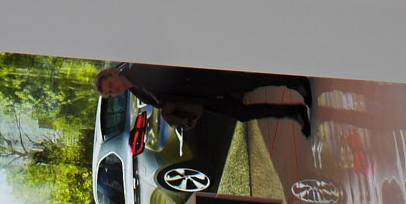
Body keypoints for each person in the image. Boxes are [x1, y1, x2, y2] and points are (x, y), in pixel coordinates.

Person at [96, 63, 315, 136]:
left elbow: (171, 72)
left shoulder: (138, 69)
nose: (114, 90)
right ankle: (293, 112)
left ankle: (293, 81)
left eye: (110, 85)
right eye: (111, 92)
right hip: (202, 99)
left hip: (204, 81)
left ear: (113, 73)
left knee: (250, 82)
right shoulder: (136, 91)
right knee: (242, 114)